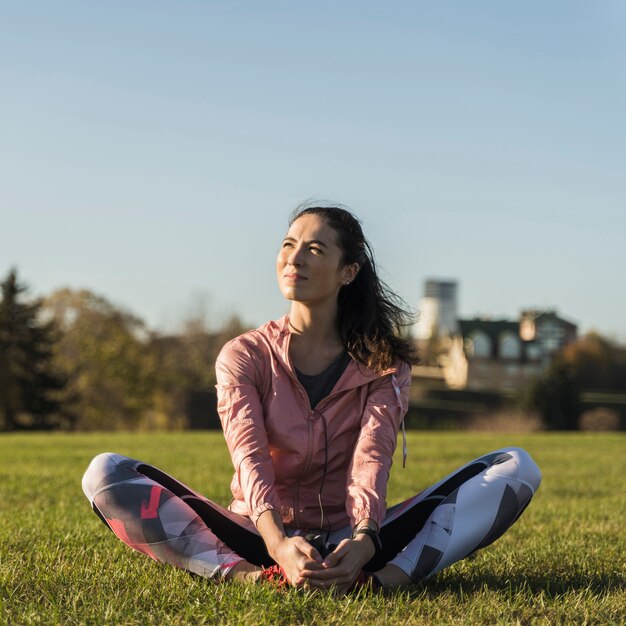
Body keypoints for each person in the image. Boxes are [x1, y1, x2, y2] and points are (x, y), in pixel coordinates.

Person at [82, 204, 541, 594]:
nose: (293, 258)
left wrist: (363, 537)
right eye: (288, 244)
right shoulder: (244, 355)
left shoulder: (384, 363)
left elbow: (372, 457)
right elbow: (250, 457)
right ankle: (253, 578)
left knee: (517, 467)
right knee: (105, 473)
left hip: (352, 536)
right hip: (258, 533)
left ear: (348, 271)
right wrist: (278, 543)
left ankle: (379, 580)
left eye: (314, 249)